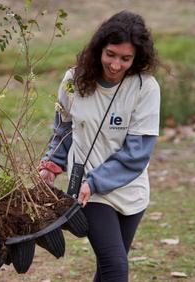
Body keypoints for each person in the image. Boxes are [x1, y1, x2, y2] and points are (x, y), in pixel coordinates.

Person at [38, 10, 160, 282]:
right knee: (116, 268)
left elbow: (136, 154)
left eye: (125, 59)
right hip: (86, 189)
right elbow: (64, 128)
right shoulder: (74, 80)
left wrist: (98, 180)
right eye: (111, 55)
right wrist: (52, 164)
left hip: (130, 188)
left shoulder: (146, 88)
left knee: (108, 269)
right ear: (99, 49)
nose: (116, 65)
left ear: (137, 58)